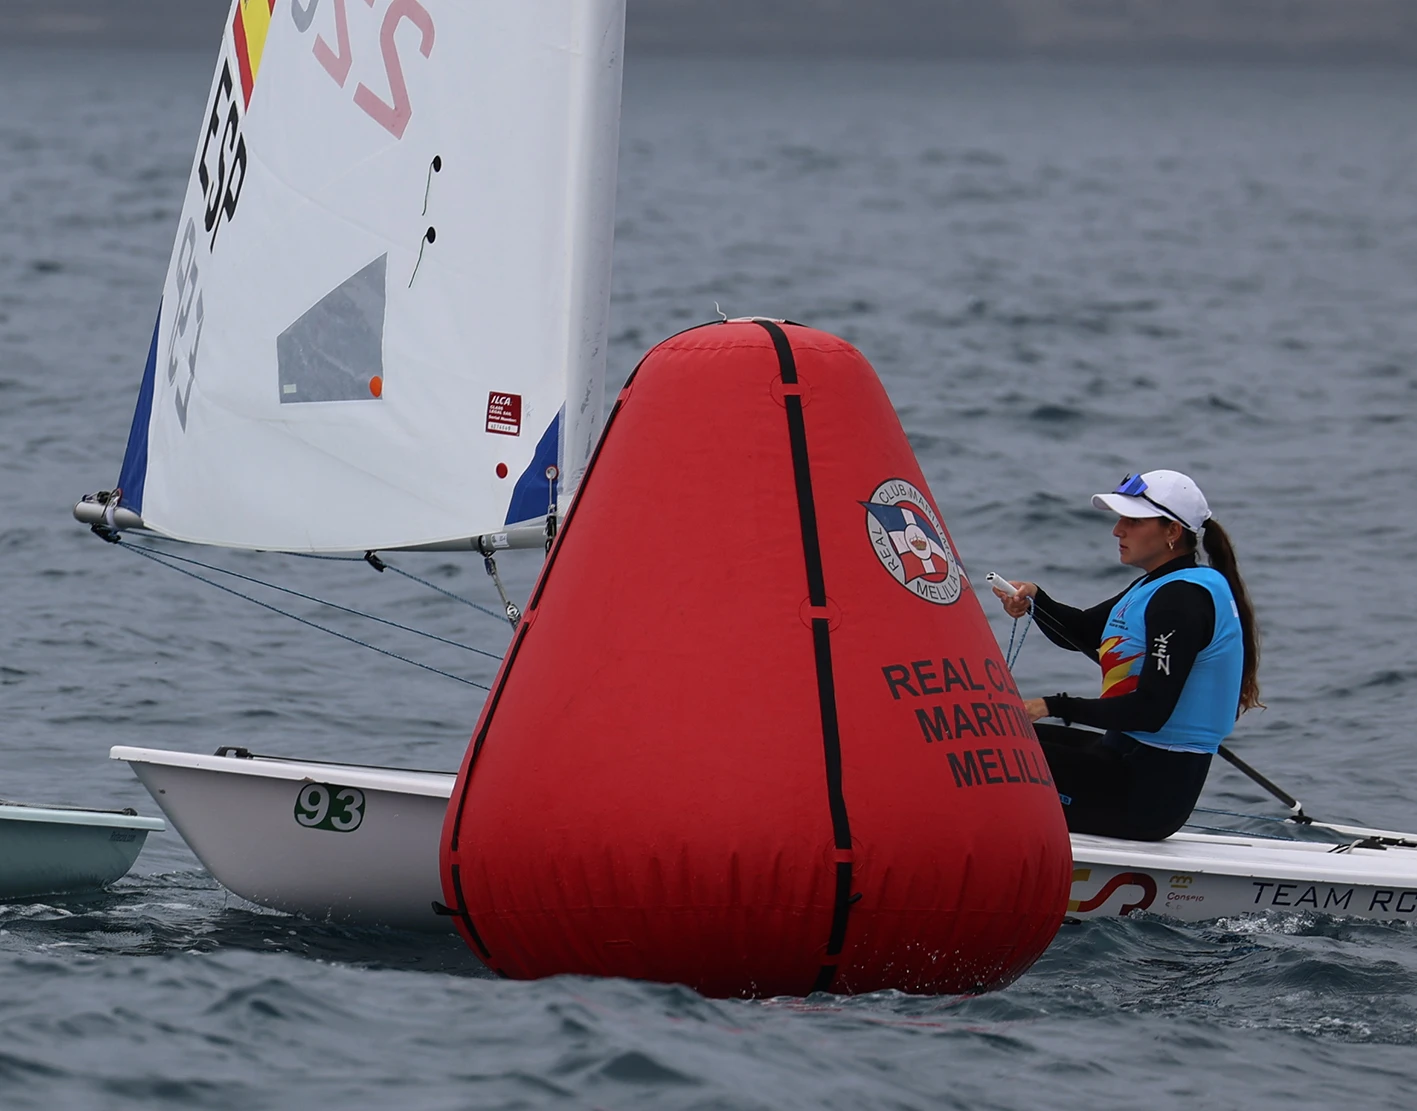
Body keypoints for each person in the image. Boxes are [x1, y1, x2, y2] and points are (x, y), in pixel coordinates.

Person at [993, 469, 1261, 841]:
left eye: (1133, 521)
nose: (1117, 530)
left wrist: (1050, 705)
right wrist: (1036, 600)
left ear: (1172, 531)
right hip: (1123, 758)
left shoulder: (1182, 600)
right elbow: (1084, 633)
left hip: (1144, 798)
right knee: (994, 737)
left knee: (990, 760)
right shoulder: (1161, 583)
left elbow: (1150, 711)